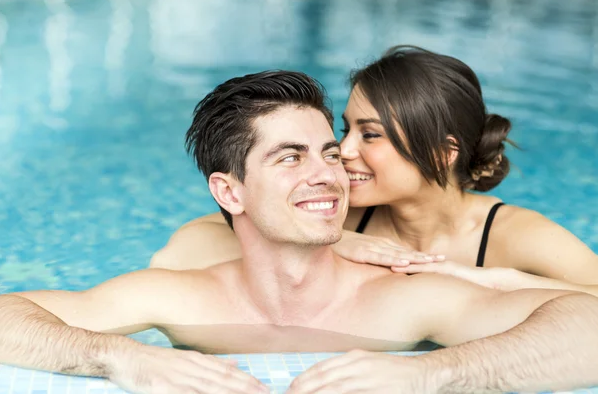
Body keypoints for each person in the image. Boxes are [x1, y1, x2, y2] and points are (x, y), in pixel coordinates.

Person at [0, 71, 598, 394]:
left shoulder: (405, 298)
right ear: (229, 192)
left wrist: (430, 373)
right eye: (290, 157)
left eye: (328, 153)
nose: (329, 172)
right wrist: (119, 359)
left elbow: (588, 325)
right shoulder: (179, 294)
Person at [151, 46, 598, 295]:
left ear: (444, 152)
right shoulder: (340, 218)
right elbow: (184, 250)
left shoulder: (510, 236)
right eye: (346, 130)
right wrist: (345, 240)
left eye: (370, 135)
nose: (340, 152)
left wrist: (489, 281)